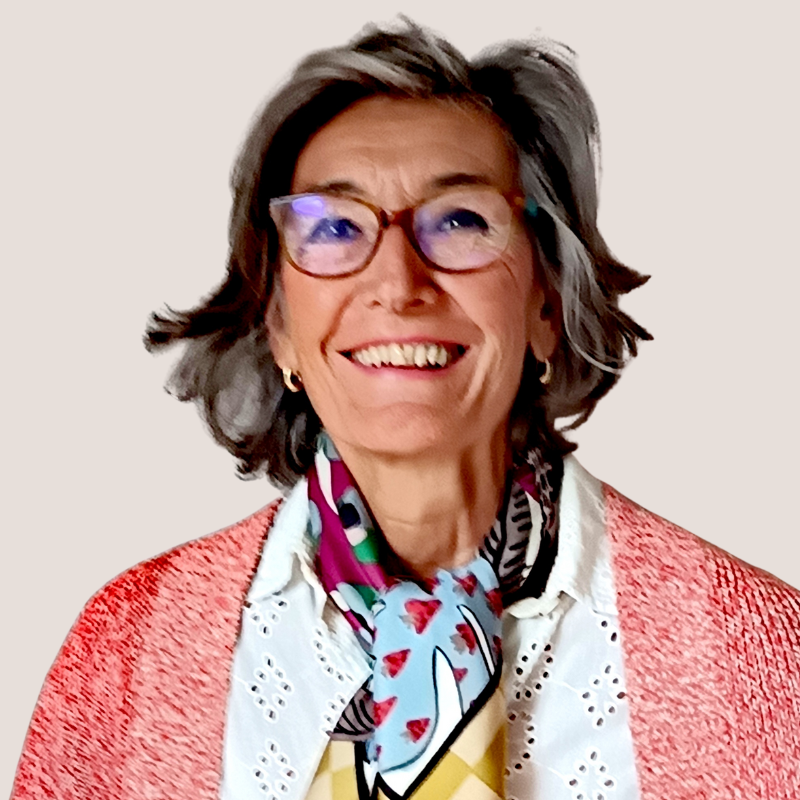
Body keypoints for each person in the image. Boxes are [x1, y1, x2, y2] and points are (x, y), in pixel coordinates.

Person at [12, 19, 800, 800]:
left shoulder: (757, 659)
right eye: (333, 227)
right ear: (279, 323)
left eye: (459, 220)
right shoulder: (128, 649)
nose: (397, 283)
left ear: (545, 302)